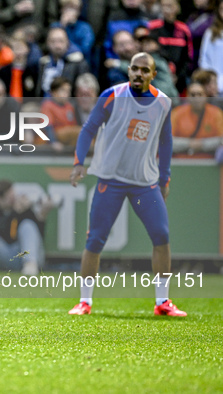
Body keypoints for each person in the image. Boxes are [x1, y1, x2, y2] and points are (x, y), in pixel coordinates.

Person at [68, 52, 187, 317]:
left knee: (162, 235)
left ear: (153, 75)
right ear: (129, 70)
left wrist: (164, 177)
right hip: (110, 178)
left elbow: (166, 142)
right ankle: (84, 301)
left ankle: (162, 302)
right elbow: (89, 128)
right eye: (134, 68)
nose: (138, 73)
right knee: (95, 238)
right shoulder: (112, 95)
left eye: (144, 70)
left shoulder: (163, 103)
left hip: (144, 182)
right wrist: (78, 162)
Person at [171, 82, 223, 158]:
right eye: (193, 95)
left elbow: (221, 141)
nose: (196, 98)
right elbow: (167, 142)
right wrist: (189, 144)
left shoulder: (216, 113)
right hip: (181, 162)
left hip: (209, 162)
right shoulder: (177, 113)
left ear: (206, 96)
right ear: (187, 97)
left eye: (200, 94)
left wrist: (202, 144)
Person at [36, 27, 89, 97]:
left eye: (61, 41)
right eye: (53, 41)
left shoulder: (78, 63)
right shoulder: (42, 63)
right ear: (47, 43)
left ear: (67, 42)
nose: (57, 45)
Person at [198, 0, 223, 97]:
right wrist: (210, 81)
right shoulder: (210, 33)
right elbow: (203, 59)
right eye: (222, 9)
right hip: (212, 86)